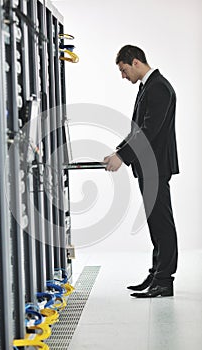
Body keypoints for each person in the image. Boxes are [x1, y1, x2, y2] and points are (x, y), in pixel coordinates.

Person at [104, 45, 179, 298]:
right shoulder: (148, 86)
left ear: (135, 62)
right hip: (149, 165)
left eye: (124, 70)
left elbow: (149, 131)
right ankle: (157, 273)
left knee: (162, 223)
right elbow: (138, 130)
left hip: (156, 166)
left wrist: (122, 157)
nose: (123, 77)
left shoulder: (158, 87)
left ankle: (164, 281)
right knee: (155, 222)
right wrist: (118, 151)